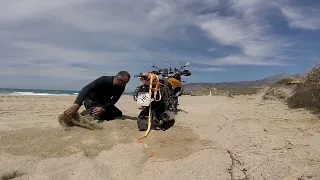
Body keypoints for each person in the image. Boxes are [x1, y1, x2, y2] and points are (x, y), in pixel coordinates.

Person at [64, 71, 130, 120]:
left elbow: (114, 100)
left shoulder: (121, 87)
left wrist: (103, 108)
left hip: (103, 103)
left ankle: (94, 113)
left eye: (126, 83)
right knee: (98, 114)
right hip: (91, 101)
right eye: (124, 83)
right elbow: (87, 88)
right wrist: (77, 103)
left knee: (118, 114)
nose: (125, 85)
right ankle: (85, 114)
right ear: (118, 79)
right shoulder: (104, 80)